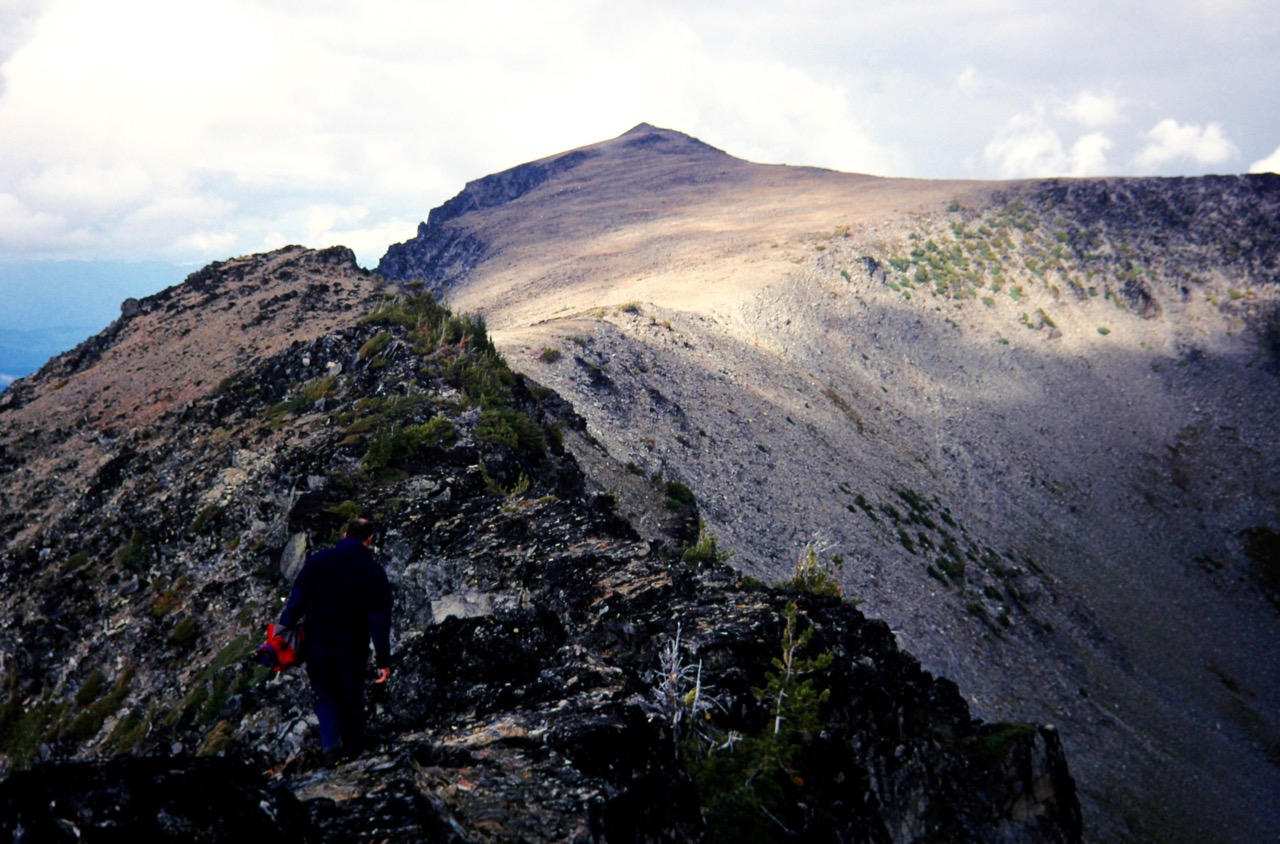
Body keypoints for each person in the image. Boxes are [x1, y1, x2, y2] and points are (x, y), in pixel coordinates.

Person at [279, 517, 392, 763]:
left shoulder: (319, 560)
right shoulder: (373, 571)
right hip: (352, 644)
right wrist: (384, 659)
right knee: (351, 694)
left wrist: (282, 630)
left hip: (317, 641)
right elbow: (379, 620)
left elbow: (298, 599)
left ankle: (331, 746)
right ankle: (353, 750)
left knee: (325, 694)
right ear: (369, 540)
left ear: (344, 536)